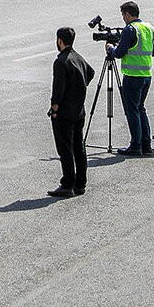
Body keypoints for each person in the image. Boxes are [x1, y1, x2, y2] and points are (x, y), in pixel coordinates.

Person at [46, 28, 94, 198]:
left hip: (65, 112)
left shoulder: (61, 61)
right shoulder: (78, 57)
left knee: (65, 149)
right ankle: (80, 183)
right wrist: (78, 87)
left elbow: (58, 88)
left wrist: (54, 108)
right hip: (79, 110)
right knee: (78, 147)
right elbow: (91, 72)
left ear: (60, 41)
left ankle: (67, 183)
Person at [107, 1, 154, 156]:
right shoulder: (148, 28)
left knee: (132, 110)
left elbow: (120, 53)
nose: (123, 18)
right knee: (140, 109)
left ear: (127, 14)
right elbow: (152, 51)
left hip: (132, 76)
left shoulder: (130, 29)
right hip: (146, 75)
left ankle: (136, 144)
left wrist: (110, 49)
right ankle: (146, 145)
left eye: (123, 15)